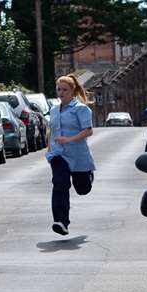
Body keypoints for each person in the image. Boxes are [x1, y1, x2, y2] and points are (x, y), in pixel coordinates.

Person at [46, 73, 97, 236]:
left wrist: (69, 139)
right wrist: (49, 148)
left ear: (72, 91)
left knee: (82, 189)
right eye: (58, 89)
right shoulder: (54, 110)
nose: (61, 93)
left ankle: (88, 175)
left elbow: (88, 131)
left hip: (78, 156)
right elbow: (51, 130)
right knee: (60, 184)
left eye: (64, 90)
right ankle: (61, 221)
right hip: (58, 155)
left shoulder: (81, 109)